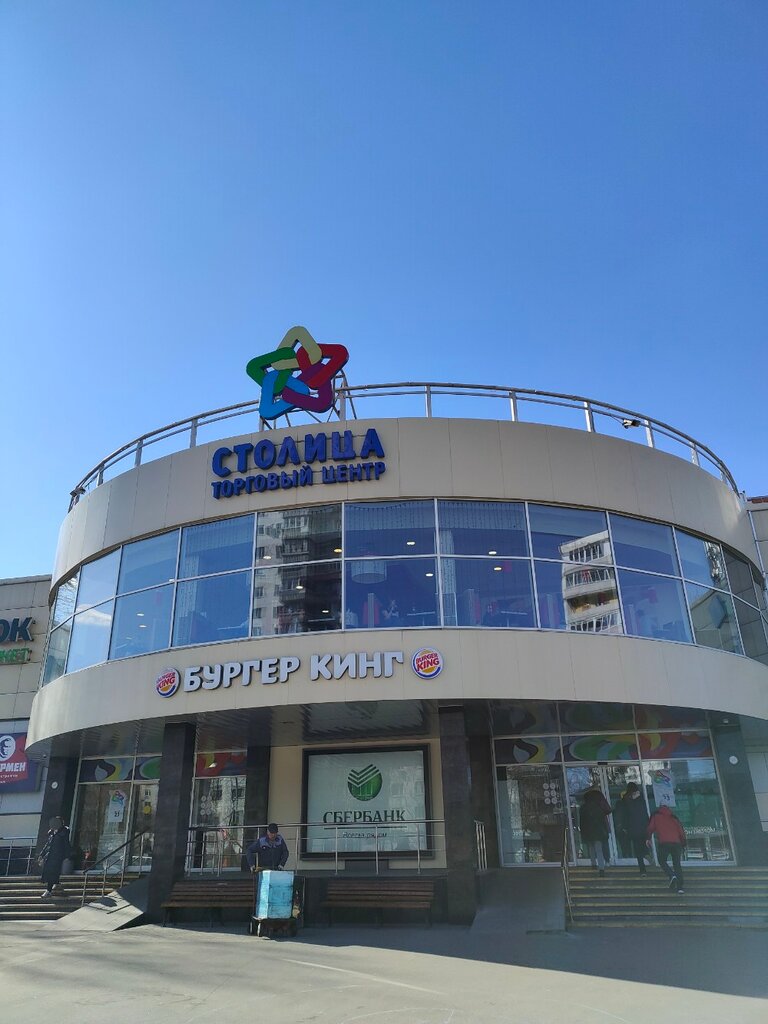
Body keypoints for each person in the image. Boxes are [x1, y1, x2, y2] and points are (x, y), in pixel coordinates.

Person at [647, 804, 686, 893]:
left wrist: (648, 838)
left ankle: (671, 875)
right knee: (677, 864)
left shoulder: (656, 815)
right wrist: (683, 844)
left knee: (661, 860)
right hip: (676, 843)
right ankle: (680, 888)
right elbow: (681, 831)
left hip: (664, 842)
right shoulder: (674, 817)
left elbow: (650, 828)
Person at [615, 782, 650, 875]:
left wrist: (625, 827)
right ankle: (648, 856)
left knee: (637, 849)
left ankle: (642, 870)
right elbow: (645, 814)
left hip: (633, 828)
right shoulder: (641, 799)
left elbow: (625, 815)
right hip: (643, 827)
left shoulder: (626, 801)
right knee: (645, 845)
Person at [37, 816, 73, 898]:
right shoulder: (52, 833)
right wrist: (41, 854)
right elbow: (47, 844)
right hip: (49, 856)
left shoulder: (64, 832)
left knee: (52, 872)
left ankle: (48, 890)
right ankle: (56, 883)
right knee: (49, 871)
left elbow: (66, 844)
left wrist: (68, 855)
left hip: (58, 856)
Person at [579, 789, 610, 875]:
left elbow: (582, 822)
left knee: (591, 848)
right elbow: (602, 821)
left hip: (588, 832)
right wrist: (604, 831)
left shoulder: (583, 808)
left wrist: (583, 833)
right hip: (597, 832)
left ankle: (593, 864)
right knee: (599, 850)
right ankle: (601, 869)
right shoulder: (597, 807)